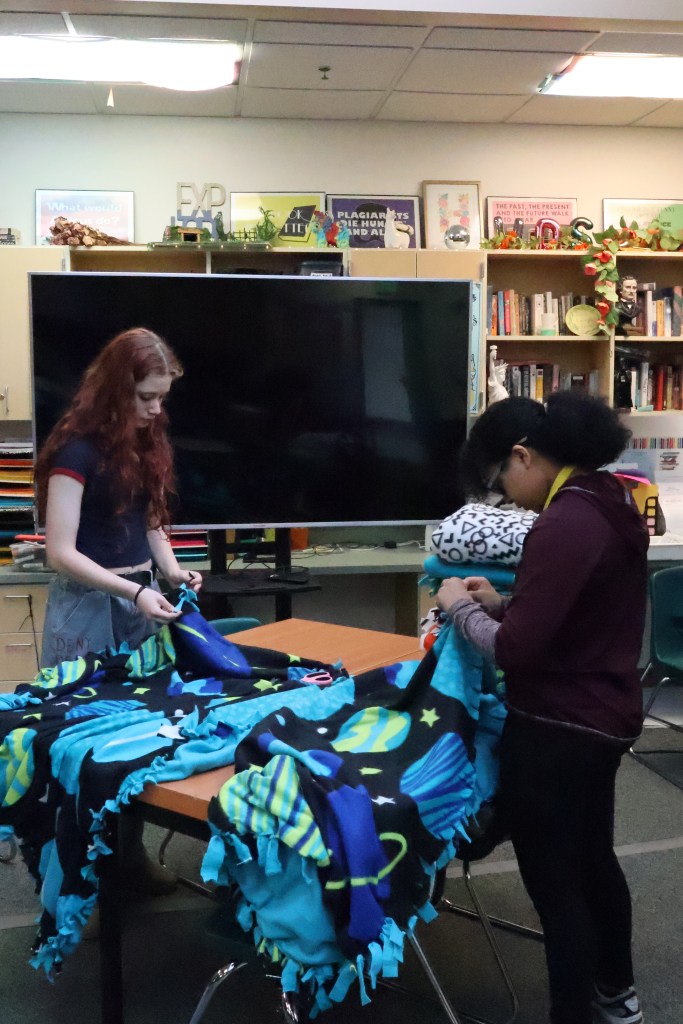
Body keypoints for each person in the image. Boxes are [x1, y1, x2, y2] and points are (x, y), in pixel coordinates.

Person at [436, 391, 648, 1024]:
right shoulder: (610, 499)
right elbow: (579, 614)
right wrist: (504, 604)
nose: (507, 496)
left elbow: (515, 651)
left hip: (557, 727)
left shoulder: (563, 522)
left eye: (502, 479)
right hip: (604, 718)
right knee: (594, 859)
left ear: (524, 456)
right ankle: (618, 994)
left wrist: (459, 606)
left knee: (556, 883)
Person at [35, 326, 203, 896]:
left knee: (137, 739)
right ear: (114, 388)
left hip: (138, 602)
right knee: (84, 749)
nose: (156, 410)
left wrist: (172, 571)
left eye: (162, 398)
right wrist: (132, 592)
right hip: (87, 609)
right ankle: (74, 889)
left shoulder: (145, 440)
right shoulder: (75, 451)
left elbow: (150, 523)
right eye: (146, 397)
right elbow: (60, 552)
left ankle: (127, 862)